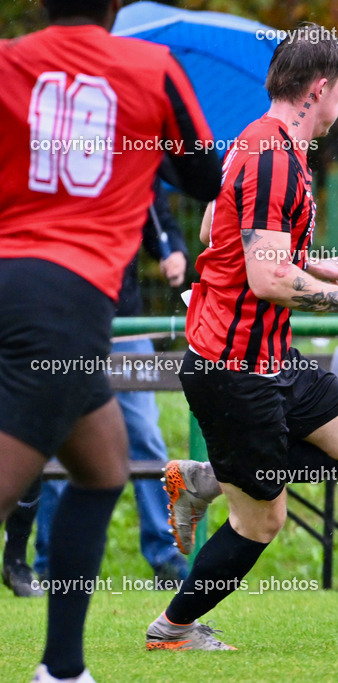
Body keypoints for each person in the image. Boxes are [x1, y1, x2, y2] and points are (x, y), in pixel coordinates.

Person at [144, 22, 338, 652]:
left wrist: (313, 262)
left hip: (273, 358)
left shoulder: (262, 142)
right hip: (232, 369)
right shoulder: (271, 157)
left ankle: (208, 479)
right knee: (262, 521)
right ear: (319, 89)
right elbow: (267, 278)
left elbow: (219, 228)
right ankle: (172, 629)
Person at [0, 0, 220, 679]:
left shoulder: (7, 61)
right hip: (65, 300)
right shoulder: (151, 66)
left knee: (102, 465)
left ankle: (63, 669)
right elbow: (206, 177)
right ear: (116, 4)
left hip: (14, 282)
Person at [34, 180, 193, 585]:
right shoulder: (52, 171)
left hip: (123, 326)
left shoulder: (134, 170)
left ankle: (166, 557)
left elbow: (160, 221)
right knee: (57, 445)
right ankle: (52, 562)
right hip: (62, 325)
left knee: (147, 439)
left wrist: (173, 250)